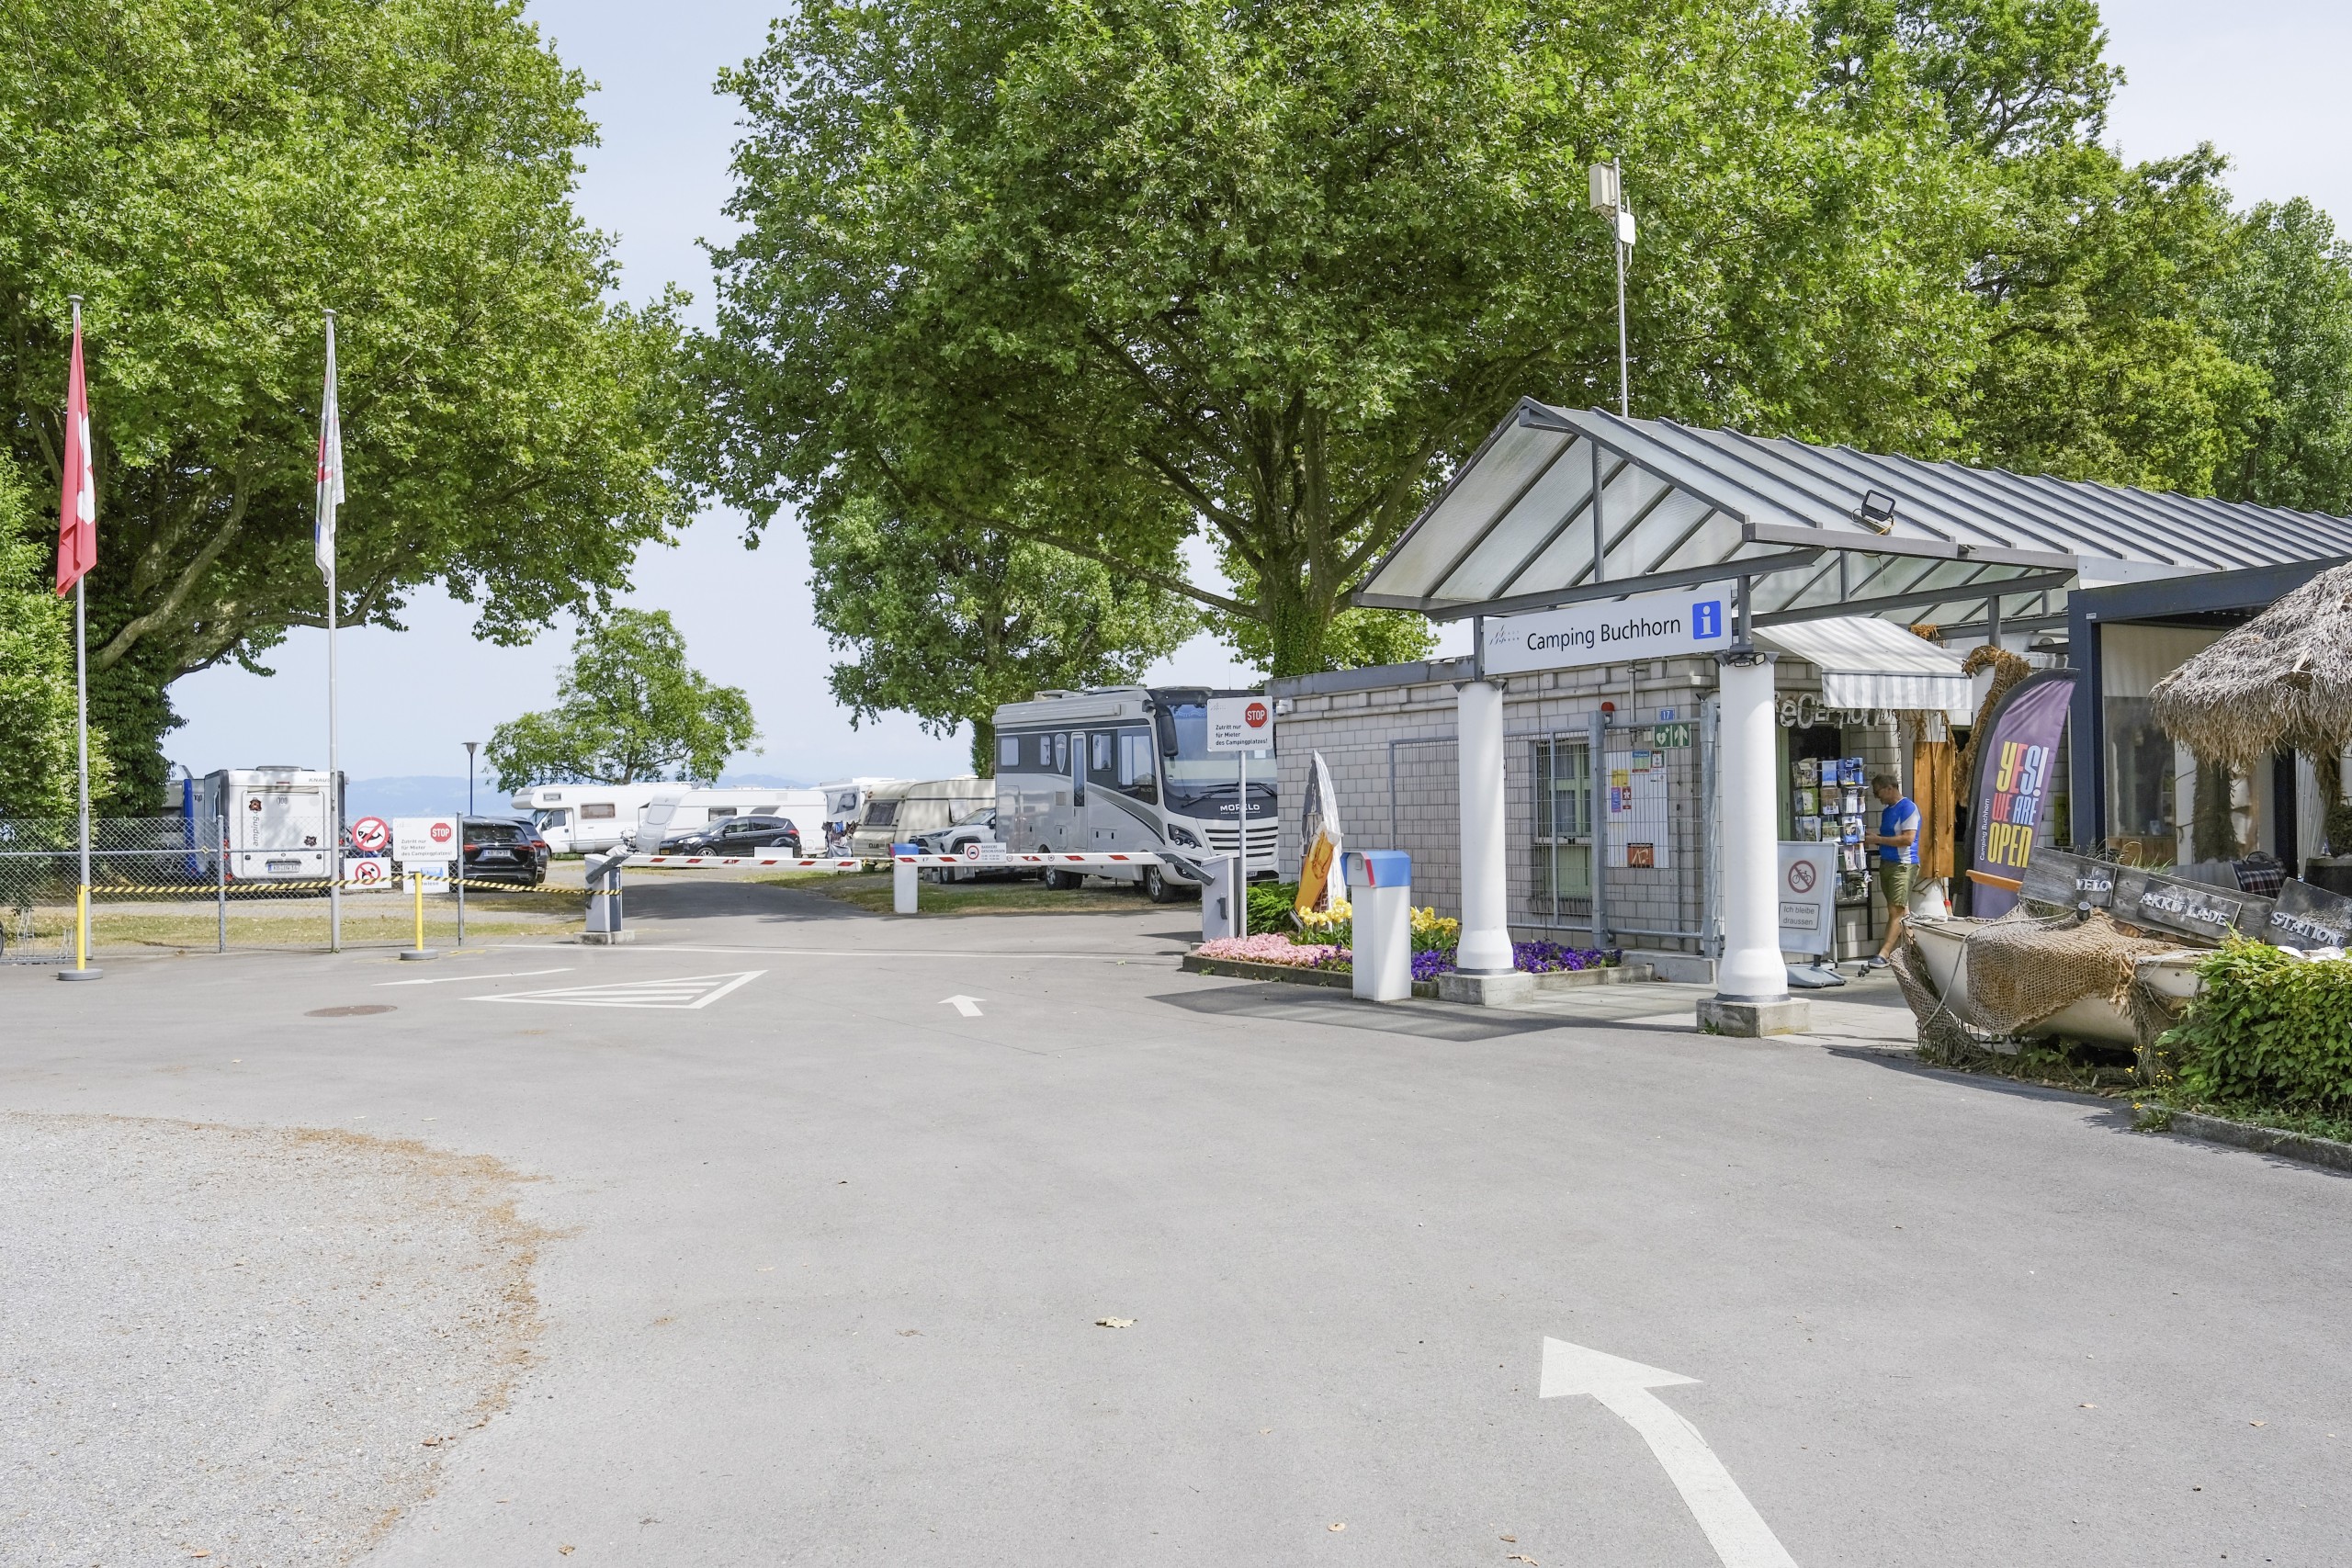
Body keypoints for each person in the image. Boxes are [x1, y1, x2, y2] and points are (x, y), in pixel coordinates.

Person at [1860, 772, 1919, 971]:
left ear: (1889, 788)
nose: (1878, 798)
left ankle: (1884, 953)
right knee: (1902, 910)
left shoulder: (1908, 808)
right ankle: (1914, 952)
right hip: (1888, 863)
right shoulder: (1888, 811)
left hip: (1903, 864)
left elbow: (1908, 839)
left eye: (1878, 793)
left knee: (1896, 910)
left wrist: (1877, 839)